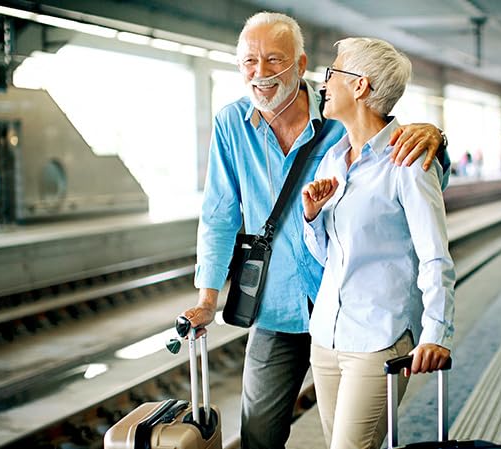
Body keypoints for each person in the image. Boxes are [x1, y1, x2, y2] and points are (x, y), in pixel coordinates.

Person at [180, 12, 448, 449]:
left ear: (301, 65)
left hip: (350, 307)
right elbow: (219, 214)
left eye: (274, 60)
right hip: (276, 307)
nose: (260, 73)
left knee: (349, 440)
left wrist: (435, 137)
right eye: (249, 61)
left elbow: (397, 163)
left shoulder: (338, 115)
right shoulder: (231, 125)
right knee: (258, 435)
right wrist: (207, 297)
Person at [301, 38, 454, 449]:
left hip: (379, 338)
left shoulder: (408, 160)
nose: (324, 83)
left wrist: (436, 332)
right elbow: (327, 256)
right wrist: (313, 217)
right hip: (328, 338)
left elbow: (435, 254)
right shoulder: (334, 159)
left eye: (332, 73)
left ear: (360, 86)